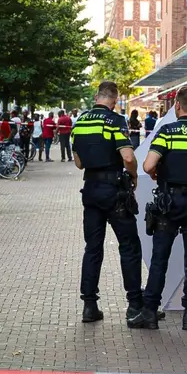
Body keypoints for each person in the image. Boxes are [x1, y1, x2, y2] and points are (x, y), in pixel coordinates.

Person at [128, 86, 187, 331]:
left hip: (169, 202)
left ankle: (149, 313)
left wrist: (158, 171)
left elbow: (147, 165)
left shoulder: (167, 131)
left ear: (177, 105)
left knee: (160, 258)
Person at [70, 81, 143, 323]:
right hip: (114, 191)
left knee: (92, 248)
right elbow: (128, 156)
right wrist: (132, 174)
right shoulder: (115, 121)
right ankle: (134, 305)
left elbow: (78, 162)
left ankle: (90, 306)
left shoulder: (79, 122)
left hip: (90, 189)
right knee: (129, 246)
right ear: (114, 100)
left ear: (96, 96)